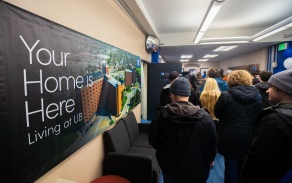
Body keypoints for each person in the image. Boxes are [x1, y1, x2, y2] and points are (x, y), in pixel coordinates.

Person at [148, 77, 218, 183]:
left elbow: (153, 139)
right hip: (197, 168)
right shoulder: (205, 117)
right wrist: (211, 158)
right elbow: (213, 143)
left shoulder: (162, 115)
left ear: (174, 95)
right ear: (188, 95)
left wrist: (163, 151)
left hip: (171, 166)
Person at [241, 69, 292, 183]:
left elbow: (259, 159)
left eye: (271, 87)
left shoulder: (275, 120)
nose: (268, 90)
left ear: (283, 90)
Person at [214, 70, 262, 183]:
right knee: (244, 166)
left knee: (231, 166)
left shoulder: (226, 95)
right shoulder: (257, 96)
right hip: (249, 136)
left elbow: (217, 113)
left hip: (229, 136)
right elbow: (259, 116)